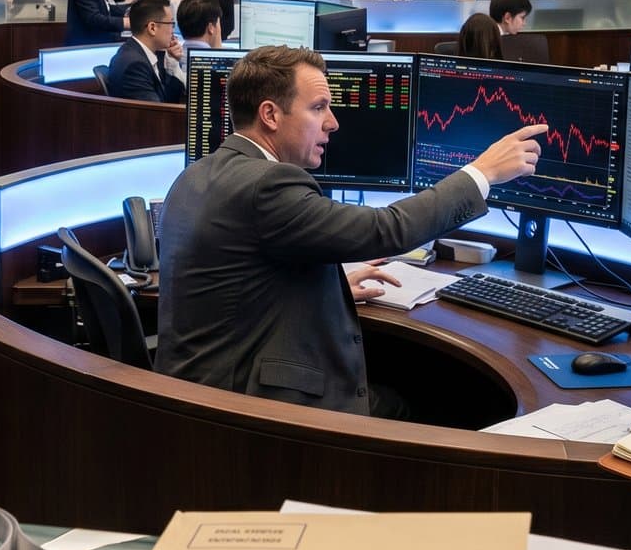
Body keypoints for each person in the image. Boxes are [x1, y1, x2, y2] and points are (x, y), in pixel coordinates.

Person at [155, 45, 544, 416]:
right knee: (447, 400)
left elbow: (245, 277)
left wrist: (328, 286)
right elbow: (386, 229)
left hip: (200, 395)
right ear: (270, 115)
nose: (333, 122)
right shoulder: (268, 185)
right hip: (254, 408)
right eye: (319, 107)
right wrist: (483, 173)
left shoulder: (195, 175)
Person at [106, 0, 185, 104]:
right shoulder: (135, 65)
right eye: (171, 24)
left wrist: (173, 62)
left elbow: (167, 100)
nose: (173, 31)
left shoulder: (139, 53)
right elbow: (157, 113)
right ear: (152, 28)